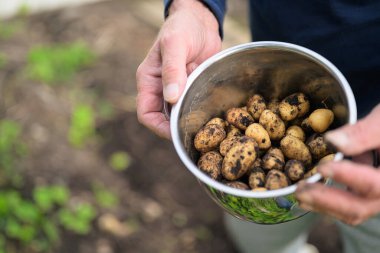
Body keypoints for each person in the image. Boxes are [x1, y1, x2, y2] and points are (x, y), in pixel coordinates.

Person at [136, 0, 380, 252]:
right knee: (260, 239)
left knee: (372, 239)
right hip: (280, 33)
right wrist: (193, 6)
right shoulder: (267, 136)